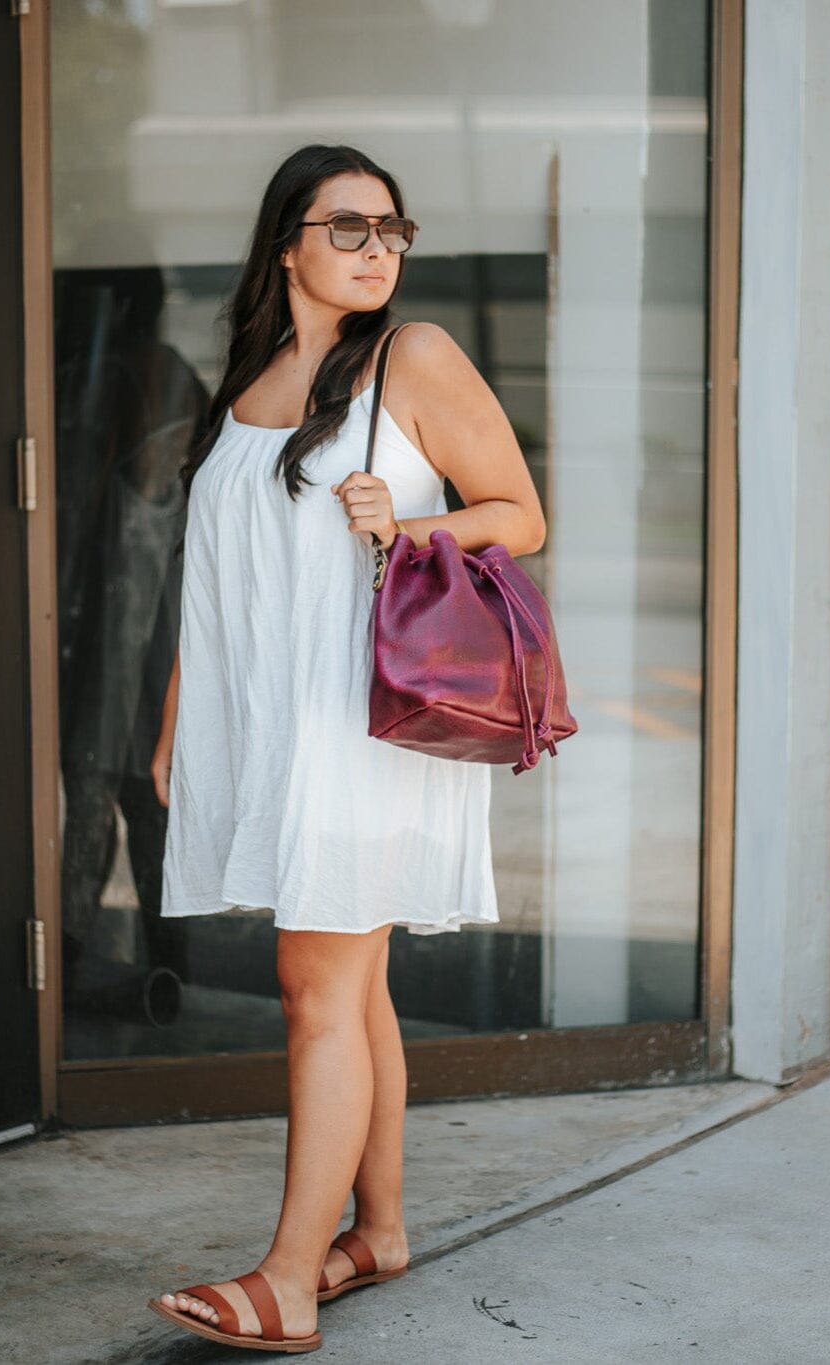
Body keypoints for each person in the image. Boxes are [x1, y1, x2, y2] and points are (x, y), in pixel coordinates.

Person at [145, 144, 547, 1352]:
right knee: (353, 991)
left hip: (360, 729)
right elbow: (219, 576)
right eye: (350, 227)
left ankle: (282, 1281)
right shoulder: (255, 375)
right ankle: (376, 1233)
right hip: (267, 726)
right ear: (287, 244)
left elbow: (522, 516)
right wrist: (177, 722)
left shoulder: (412, 359)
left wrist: (414, 521)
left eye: (393, 230)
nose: (379, 250)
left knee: (313, 992)